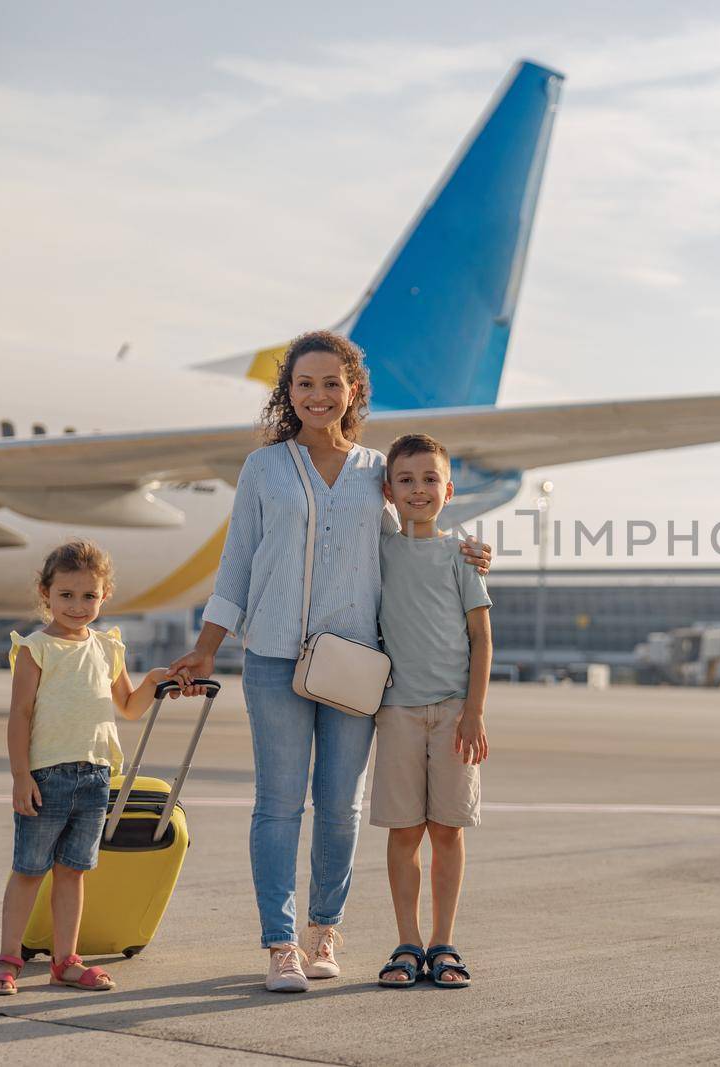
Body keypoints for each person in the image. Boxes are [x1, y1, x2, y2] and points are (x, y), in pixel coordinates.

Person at [166, 330, 490, 993]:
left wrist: (472, 554)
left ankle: (324, 931)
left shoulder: (377, 470)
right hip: (273, 659)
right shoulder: (263, 467)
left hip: (355, 665)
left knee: (340, 807)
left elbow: (413, 548)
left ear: (352, 390)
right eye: (304, 383)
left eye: (331, 382)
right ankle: (281, 943)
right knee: (279, 805)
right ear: (288, 393)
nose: (318, 395)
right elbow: (238, 560)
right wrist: (208, 644)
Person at [0, 540, 169, 995]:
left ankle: (66, 960)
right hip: (46, 778)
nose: (78, 605)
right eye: (66, 595)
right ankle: (9, 957)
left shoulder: (108, 648)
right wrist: (20, 776)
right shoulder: (35, 649)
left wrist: (153, 682)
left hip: (96, 777)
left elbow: (127, 706)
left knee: (73, 871)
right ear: (46, 594)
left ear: (104, 596)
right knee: (29, 870)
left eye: (88, 596)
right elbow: (20, 716)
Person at [372, 433, 491, 990]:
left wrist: (474, 712)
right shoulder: (379, 549)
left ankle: (443, 942)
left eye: (429, 480)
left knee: (447, 830)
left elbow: (481, 639)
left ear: (449, 488)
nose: (418, 490)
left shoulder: (463, 554)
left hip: (452, 714)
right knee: (404, 831)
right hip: (395, 710)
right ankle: (406, 943)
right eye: (405, 480)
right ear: (389, 491)